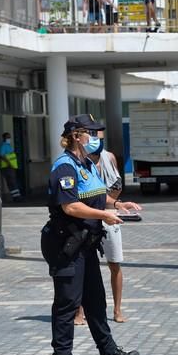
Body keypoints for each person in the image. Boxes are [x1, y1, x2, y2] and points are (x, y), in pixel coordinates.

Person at [40, 113, 141, 355]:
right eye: (91, 133)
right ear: (76, 136)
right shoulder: (64, 166)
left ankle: (109, 354)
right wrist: (104, 216)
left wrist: (118, 205)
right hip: (66, 245)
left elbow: (95, 194)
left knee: (95, 302)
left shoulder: (85, 163)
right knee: (66, 305)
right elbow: (70, 206)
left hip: (85, 243)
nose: (95, 138)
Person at [74, 132, 131, 325]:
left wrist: (114, 204)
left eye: (98, 135)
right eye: (91, 135)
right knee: (82, 266)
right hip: (88, 219)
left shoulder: (109, 158)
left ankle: (117, 310)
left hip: (108, 216)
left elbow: (116, 186)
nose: (95, 139)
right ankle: (79, 312)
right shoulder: (77, 162)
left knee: (114, 264)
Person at [0, 132, 22, 202]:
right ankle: (16, 197)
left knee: (13, 182)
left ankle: (17, 196)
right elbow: (2, 156)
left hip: (11, 167)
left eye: (9, 137)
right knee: (12, 182)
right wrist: (9, 164)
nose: (9, 138)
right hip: (7, 167)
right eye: (8, 137)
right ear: (4, 138)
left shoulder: (9, 145)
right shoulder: (4, 146)